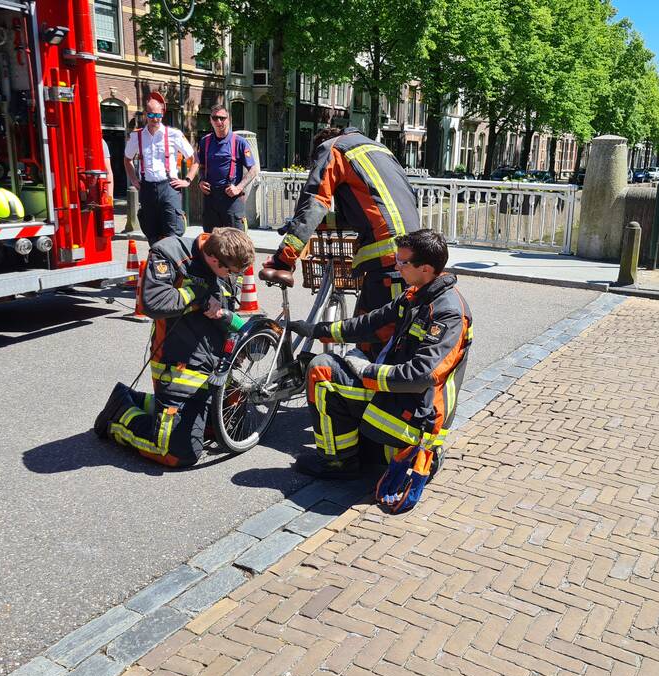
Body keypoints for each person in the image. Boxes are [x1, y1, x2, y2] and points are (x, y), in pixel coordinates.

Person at [285, 230, 472, 513]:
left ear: (426, 268)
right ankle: (388, 453)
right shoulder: (417, 295)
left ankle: (338, 463)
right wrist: (316, 331)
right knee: (374, 448)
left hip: (418, 414)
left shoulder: (448, 314)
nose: (396, 265)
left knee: (320, 370)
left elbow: (420, 376)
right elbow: (368, 324)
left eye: (402, 262)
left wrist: (366, 370)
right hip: (405, 402)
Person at [94, 227, 256, 467]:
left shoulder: (226, 264)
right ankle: (118, 413)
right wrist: (196, 294)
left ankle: (146, 402)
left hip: (214, 366)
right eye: (232, 272)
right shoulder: (169, 253)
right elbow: (153, 302)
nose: (234, 277)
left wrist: (233, 329)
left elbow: (222, 308)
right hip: (178, 365)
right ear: (214, 259)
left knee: (237, 422)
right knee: (178, 452)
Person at [264, 126, 421, 358]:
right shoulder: (379, 149)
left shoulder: (332, 149)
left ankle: (368, 388)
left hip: (391, 261)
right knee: (372, 331)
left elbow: (314, 204)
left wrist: (282, 260)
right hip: (411, 254)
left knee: (381, 339)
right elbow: (368, 207)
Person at [123, 92, 197, 242]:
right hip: (148, 189)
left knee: (173, 232)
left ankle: (173, 264)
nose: (155, 119)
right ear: (145, 115)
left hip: (169, 187)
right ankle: (157, 263)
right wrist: (134, 180)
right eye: (151, 115)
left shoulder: (174, 134)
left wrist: (187, 180)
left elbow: (194, 159)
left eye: (158, 115)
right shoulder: (137, 136)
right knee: (151, 232)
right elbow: (127, 160)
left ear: (163, 113)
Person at [197, 104, 258, 232]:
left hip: (231, 199)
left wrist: (239, 188)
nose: (219, 122)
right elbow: (200, 166)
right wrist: (201, 181)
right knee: (210, 242)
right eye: (215, 118)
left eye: (222, 118)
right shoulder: (205, 141)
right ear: (210, 120)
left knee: (235, 242)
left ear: (228, 119)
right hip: (211, 198)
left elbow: (253, 169)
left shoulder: (239, 142)